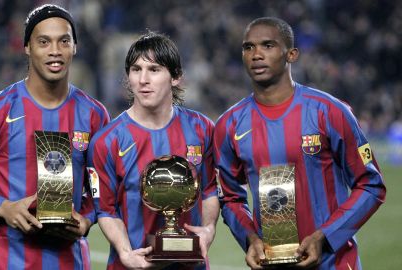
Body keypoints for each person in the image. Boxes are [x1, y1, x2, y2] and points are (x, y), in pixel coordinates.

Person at [0, 4, 109, 269]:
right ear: (27, 47)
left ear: (74, 47)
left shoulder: (94, 115)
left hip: (71, 260)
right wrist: (2, 207)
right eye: (44, 41)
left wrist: (87, 218)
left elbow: (104, 184)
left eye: (64, 41)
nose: (55, 50)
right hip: (7, 259)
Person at [213, 17, 386, 269]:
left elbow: (371, 184)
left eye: (268, 45)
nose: (256, 54)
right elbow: (230, 198)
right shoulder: (228, 125)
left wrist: (324, 236)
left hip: (333, 262)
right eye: (248, 47)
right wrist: (250, 238)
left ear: (291, 54)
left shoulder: (330, 111)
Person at [87, 31, 219, 269]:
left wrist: (208, 229)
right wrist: (126, 254)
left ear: (176, 77)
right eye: (136, 70)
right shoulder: (107, 141)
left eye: (154, 70)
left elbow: (210, 191)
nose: (142, 79)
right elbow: (105, 210)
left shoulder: (202, 129)